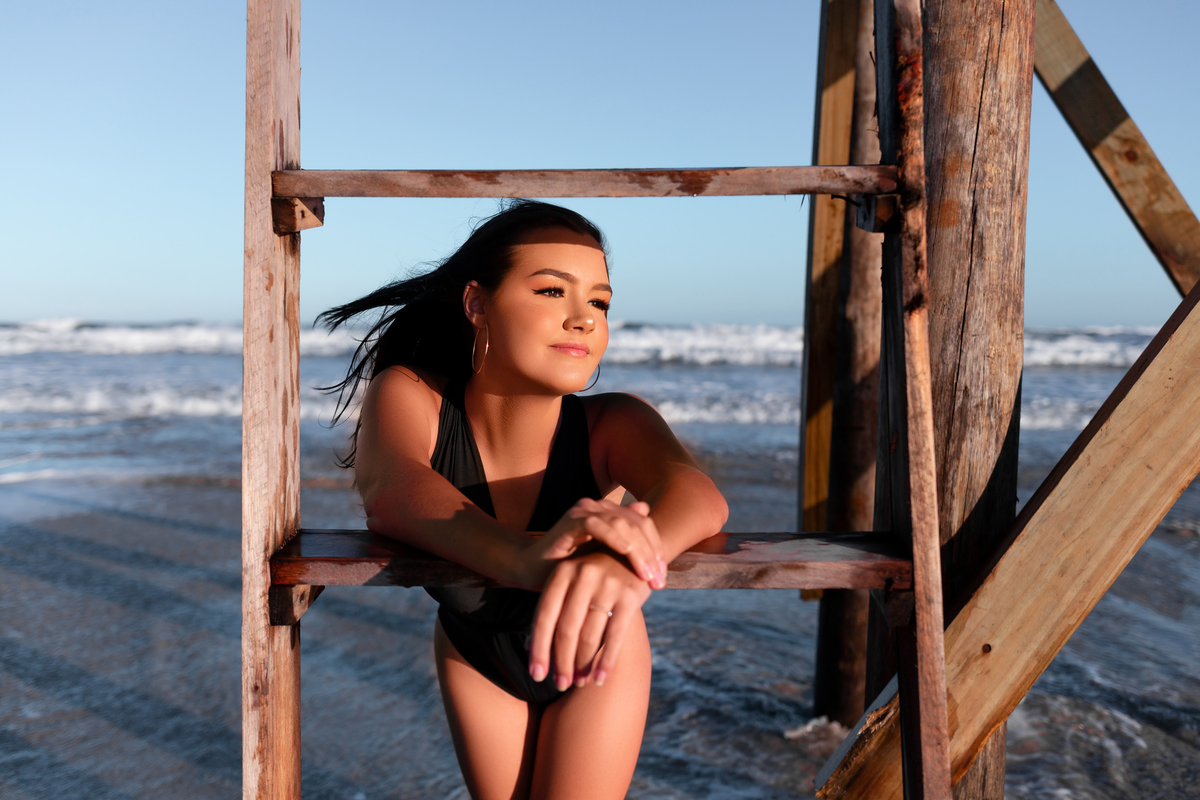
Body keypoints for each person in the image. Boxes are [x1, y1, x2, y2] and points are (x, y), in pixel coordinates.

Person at [318, 200, 728, 800]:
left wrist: (629, 562)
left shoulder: (614, 420)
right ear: (476, 304)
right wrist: (524, 558)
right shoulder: (412, 394)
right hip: (473, 646)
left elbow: (697, 494)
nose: (584, 319)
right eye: (551, 292)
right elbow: (393, 491)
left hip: (593, 652)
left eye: (599, 302)